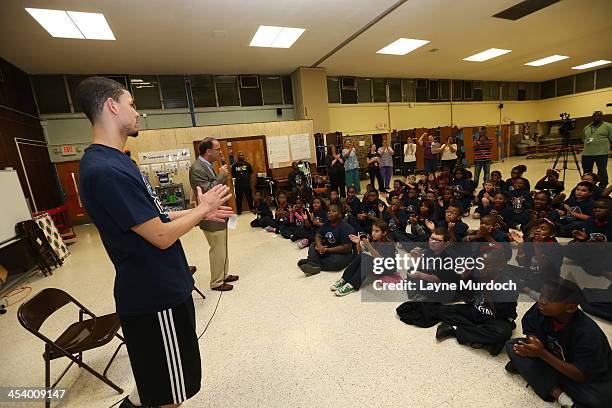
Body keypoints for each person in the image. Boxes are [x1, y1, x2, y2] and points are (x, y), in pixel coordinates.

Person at [76, 77, 233, 408]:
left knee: (161, 385)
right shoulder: (105, 170)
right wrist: (203, 209)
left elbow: (156, 219)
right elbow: (160, 237)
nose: (137, 112)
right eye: (131, 104)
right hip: (154, 297)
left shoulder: (119, 162)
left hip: (161, 289)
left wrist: (198, 212)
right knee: (168, 395)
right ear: (111, 106)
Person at [505, 279, 612, 408]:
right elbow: (530, 329)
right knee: (513, 346)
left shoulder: (588, 333)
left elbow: (583, 376)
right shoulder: (541, 309)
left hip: (580, 375)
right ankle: (561, 397)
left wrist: (542, 354)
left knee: (602, 400)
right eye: (542, 295)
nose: (542, 301)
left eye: (550, 299)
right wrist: (533, 343)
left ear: (571, 307)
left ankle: (537, 375)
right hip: (553, 362)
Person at [189, 137, 239, 292]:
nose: (220, 152)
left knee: (222, 246)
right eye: (217, 149)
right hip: (210, 215)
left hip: (219, 213)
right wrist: (221, 176)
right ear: (208, 151)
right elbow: (209, 192)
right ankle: (216, 282)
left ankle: (224, 274)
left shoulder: (208, 165)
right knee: (217, 248)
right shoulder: (197, 168)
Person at [331, 220, 396, 296]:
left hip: (387, 268)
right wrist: (358, 242)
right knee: (362, 256)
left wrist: (369, 246)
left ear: (384, 233)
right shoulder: (374, 240)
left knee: (369, 260)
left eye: (377, 231)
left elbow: (380, 260)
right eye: (372, 230)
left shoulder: (389, 244)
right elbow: (360, 251)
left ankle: (353, 285)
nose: (373, 233)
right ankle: (344, 279)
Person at [297, 203, 355, 276]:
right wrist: (320, 246)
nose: (330, 212)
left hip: (342, 254)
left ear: (340, 215)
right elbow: (318, 235)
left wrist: (326, 250)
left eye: (333, 211)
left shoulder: (346, 227)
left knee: (336, 263)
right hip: (328, 249)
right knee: (313, 245)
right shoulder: (327, 223)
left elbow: (346, 248)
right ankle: (314, 263)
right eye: (329, 211)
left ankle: (313, 262)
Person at [582, 111, 612, 187]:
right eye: (594, 115)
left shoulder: (608, 126)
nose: (596, 117)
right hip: (587, 153)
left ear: (602, 117)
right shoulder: (587, 127)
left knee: (602, 171)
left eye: (598, 115)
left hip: (601, 153)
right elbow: (584, 138)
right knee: (587, 171)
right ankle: (587, 185)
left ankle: (603, 185)